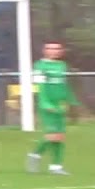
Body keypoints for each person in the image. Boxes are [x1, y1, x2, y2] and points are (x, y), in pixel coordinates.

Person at [26, 41, 79, 175]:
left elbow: (64, 85)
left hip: (60, 103)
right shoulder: (40, 66)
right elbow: (40, 86)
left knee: (60, 136)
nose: (54, 51)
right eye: (50, 48)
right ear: (45, 50)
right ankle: (35, 154)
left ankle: (56, 166)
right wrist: (45, 103)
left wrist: (70, 100)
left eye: (57, 48)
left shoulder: (62, 65)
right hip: (48, 104)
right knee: (52, 134)